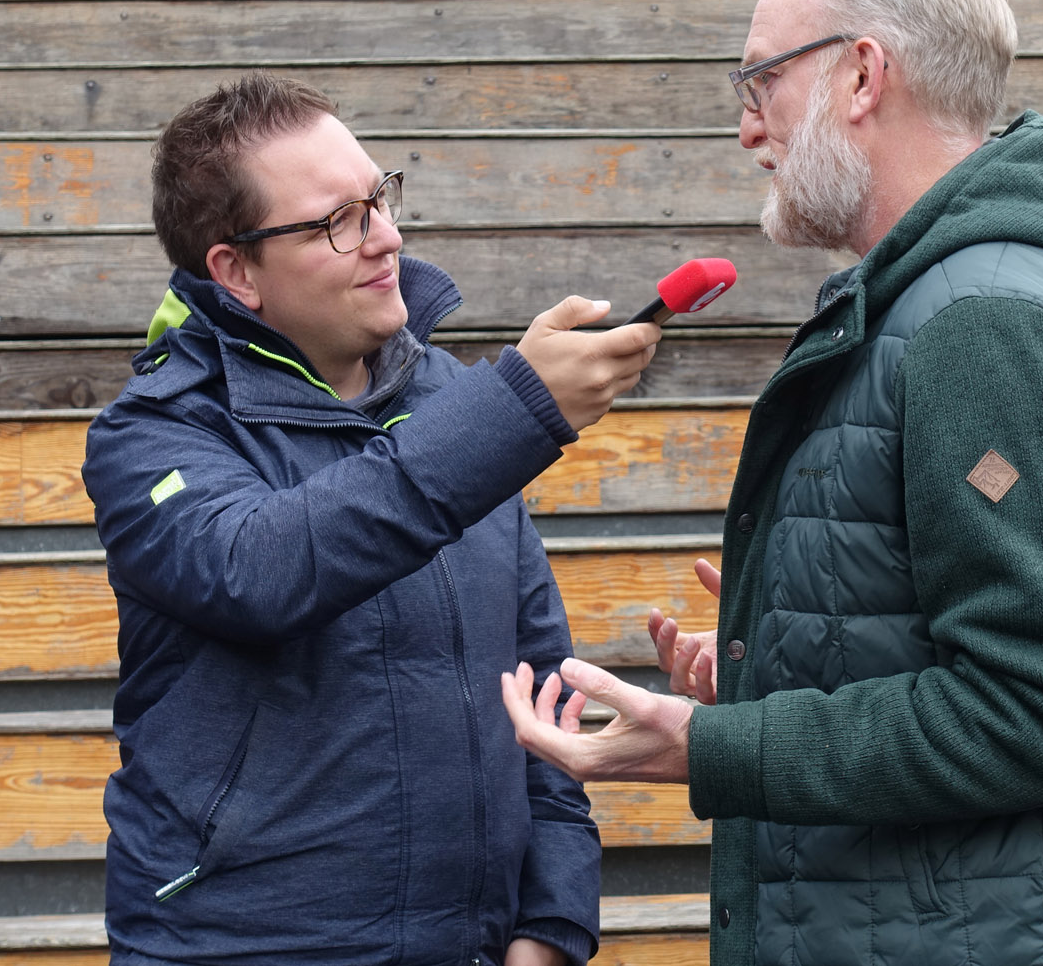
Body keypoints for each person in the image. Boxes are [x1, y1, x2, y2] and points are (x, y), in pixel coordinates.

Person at [501, 0, 1043, 966]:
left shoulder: (986, 322)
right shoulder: (948, 298)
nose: (747, 125)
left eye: (761, 82)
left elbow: (1039, 708)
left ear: (861, 75)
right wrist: (788, 654)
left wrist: (710, 744)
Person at [83, 72, 660, 966]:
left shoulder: (460, 409)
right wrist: (509, 414)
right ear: (237, 272)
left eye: (379, 199)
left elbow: (543, 692)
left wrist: (550, 925)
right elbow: (261, 571)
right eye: (334, 223)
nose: (386, 238)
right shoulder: (152, 436)